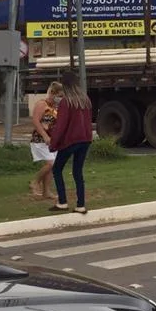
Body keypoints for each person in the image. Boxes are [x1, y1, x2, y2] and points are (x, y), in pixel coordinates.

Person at [47, 71, 93, 214]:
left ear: (64, 85)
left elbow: (61, 125)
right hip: (85, 139)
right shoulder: (85, 100)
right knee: (77, 171)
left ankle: (62, 201)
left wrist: (53, 143)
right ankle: (81, 204)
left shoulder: (66, 102)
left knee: (57, 169)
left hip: (71, 140)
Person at [29, 81, 62, 199]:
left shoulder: (55, 107)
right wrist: (45, 135)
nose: (60, 99)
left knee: (53, 165)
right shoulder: (41, 104)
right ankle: (35, 181)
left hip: (52, 140)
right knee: (50, 163)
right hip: (39, 140)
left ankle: (46, 191)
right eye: (59, 96)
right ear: (53, 93)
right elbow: (36, 121)